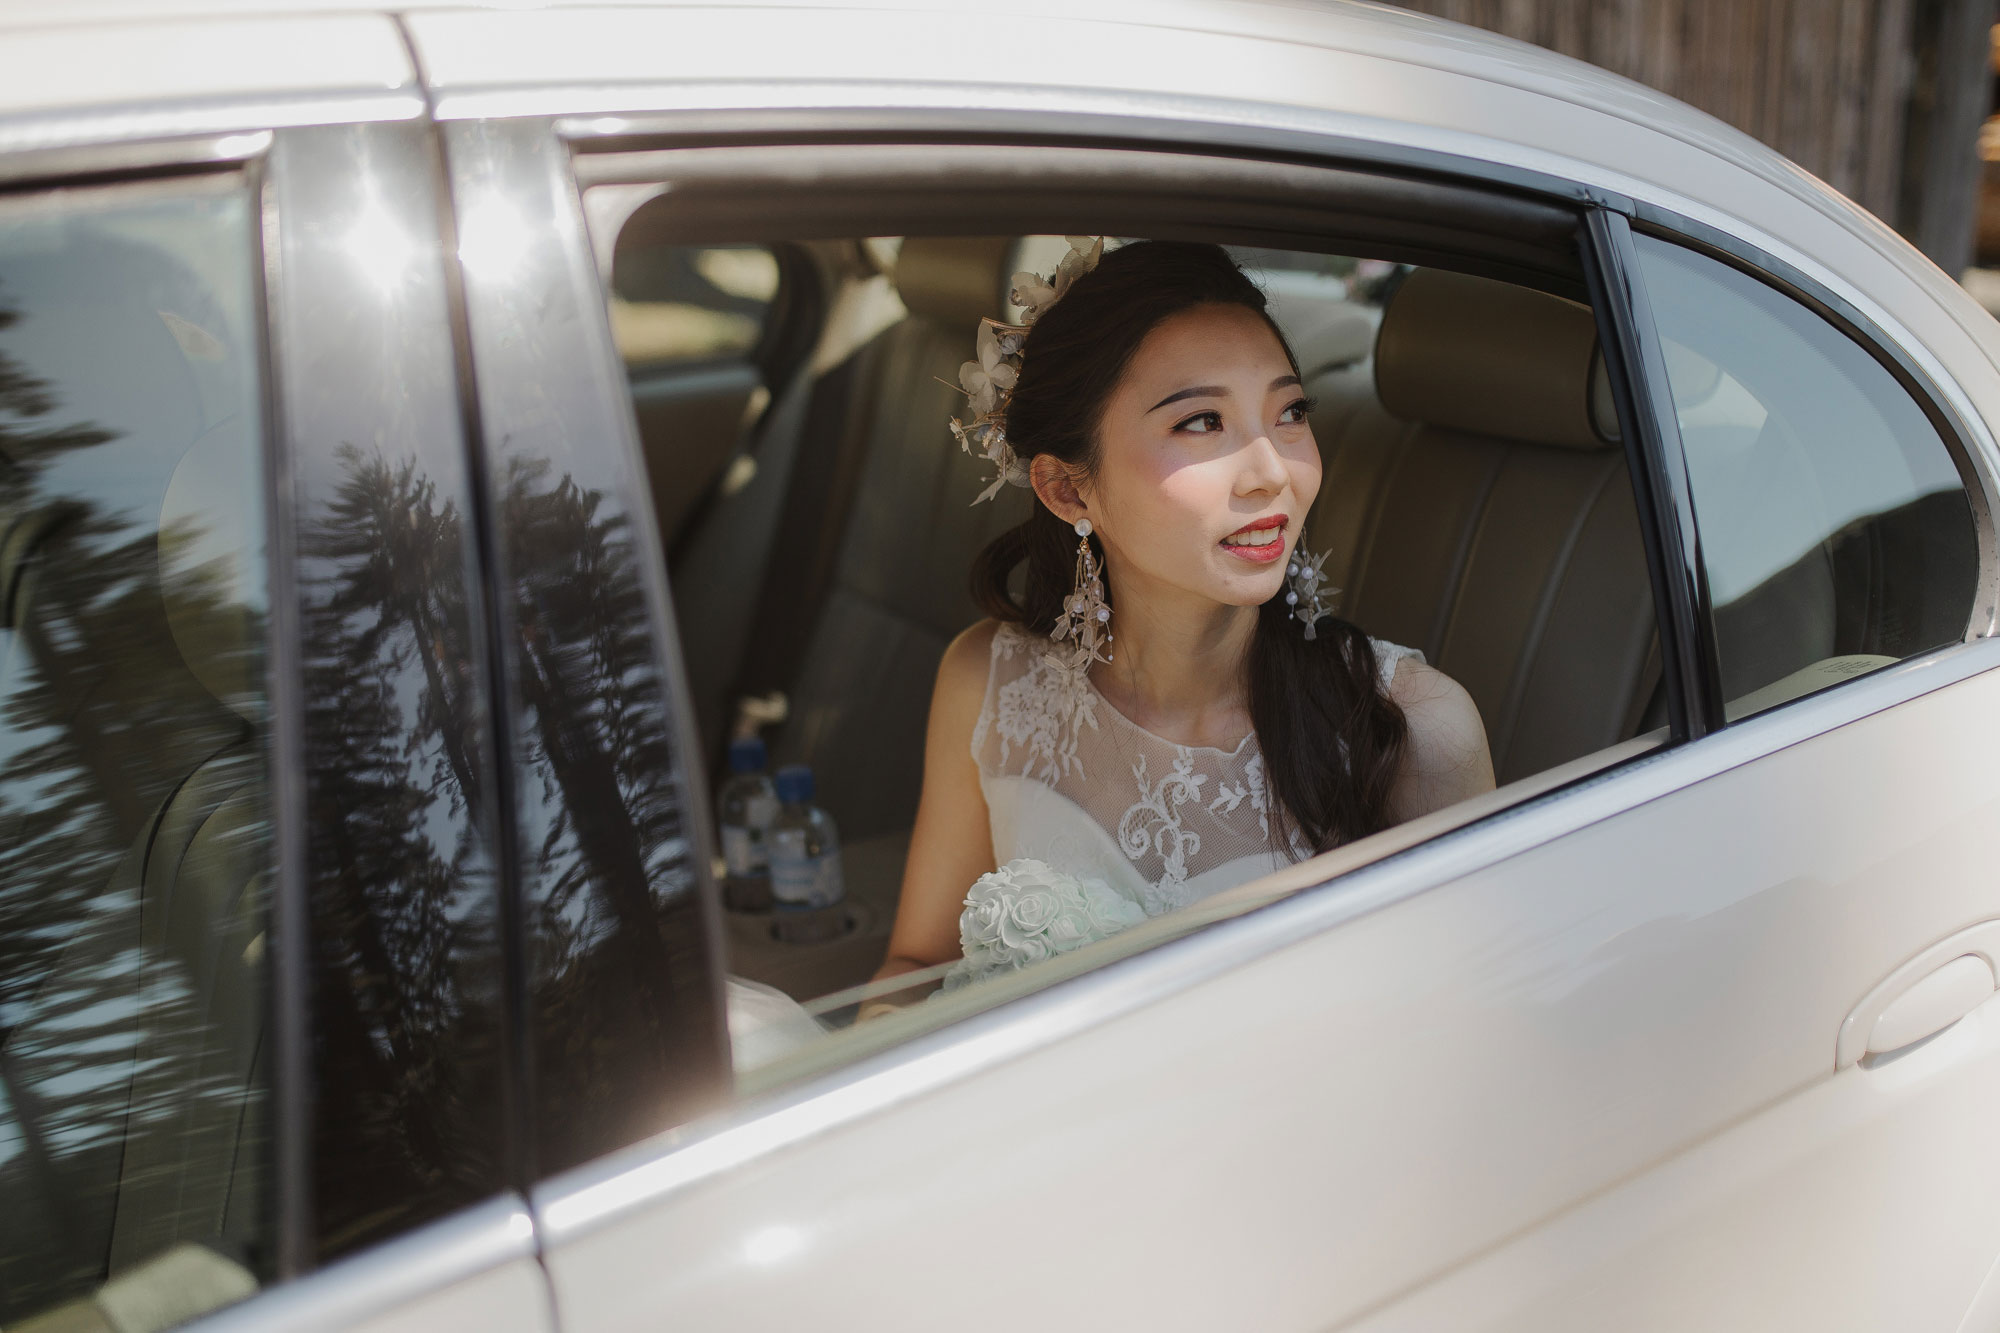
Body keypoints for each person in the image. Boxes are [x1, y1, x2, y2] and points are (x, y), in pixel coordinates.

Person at [873, 239, 1494, 997]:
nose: (1273, 472)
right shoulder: (991, 683)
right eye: (1202, 422)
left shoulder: (1412, 728)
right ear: (1068, 490)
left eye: (1290, 412)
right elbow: (915, 967)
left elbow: (1467, 1032)